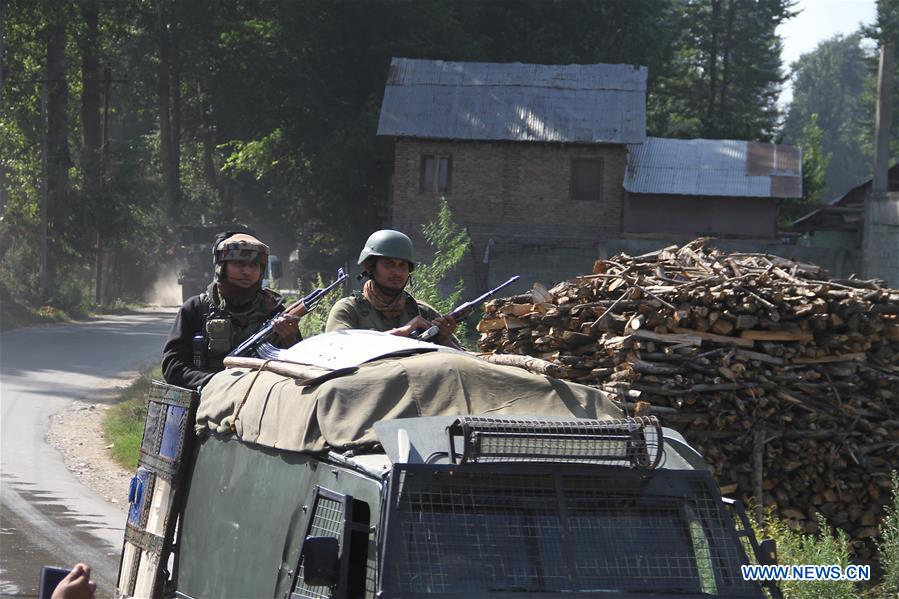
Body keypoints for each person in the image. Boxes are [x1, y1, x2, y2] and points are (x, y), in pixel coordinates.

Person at [162, 232, 301, 389]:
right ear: (222, 267)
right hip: (209, 402)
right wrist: (219, 383)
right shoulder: (196, 309)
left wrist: (291, 341)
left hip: (262, 401)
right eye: (239, 264)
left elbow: (300, 369)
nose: (247, 271)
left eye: (254, 265)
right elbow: (173, 367)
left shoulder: (274, 311)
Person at [325, 229, 460, 348]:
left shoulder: (422, 312)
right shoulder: (348, 309)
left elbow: (464, 357)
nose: (397, 272)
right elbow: (337, 349)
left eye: (402, 266)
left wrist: (442, 338)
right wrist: (403, 332)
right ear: (370, 267)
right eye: (388, 264)